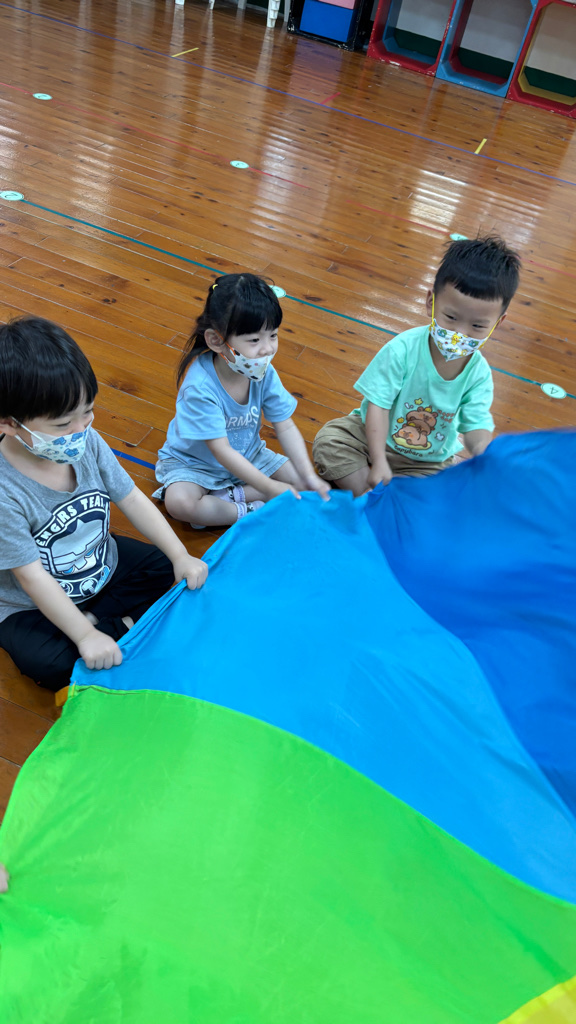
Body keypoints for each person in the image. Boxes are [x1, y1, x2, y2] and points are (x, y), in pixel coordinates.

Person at [0, 317, 208, 692]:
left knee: (167, 568)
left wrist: (180, 555)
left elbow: (131, 497)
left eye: (88, 412)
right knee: (46, 664)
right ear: (9, 423)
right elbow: (31, 577)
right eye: (62, 424)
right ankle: (112, 626)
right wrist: (84, 635)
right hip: (28, 601)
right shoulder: (5, 491)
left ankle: (102, 624)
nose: (81, 429)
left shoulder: (86, 439)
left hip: (99, 563)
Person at [313, 235, 521, 496]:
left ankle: (378, 495)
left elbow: (476, 423)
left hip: (427, 460)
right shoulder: (403, 349)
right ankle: (376, 497)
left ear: (498, 323)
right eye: (451, 317)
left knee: (440, 491)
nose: (459, 333)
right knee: (329, 442)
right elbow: (378, 406)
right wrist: (378, 459)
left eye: (477, 326)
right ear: (431, 302)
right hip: (371, 436)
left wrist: (483, 453)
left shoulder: (478, 374)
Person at [154, 273, 329, 527]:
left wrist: (308, 475)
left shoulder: (262, 370)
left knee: (302, 484)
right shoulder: (199, 388)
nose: (267, 348)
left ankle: (229, 497)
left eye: (273, 335)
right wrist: (269, 488)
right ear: (216, 340)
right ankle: (249, 510)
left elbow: (285, 426)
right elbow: (221, 451)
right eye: (254, 340)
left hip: (249, 455)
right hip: (196, 465)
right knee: (180, 503)